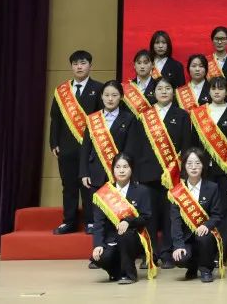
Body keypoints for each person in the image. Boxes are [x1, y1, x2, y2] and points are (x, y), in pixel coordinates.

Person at [133, 77, 191, 268]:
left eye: (167, 88)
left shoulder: (182, 115)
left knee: (169, 216)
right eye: (160, 88)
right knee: (148, 216)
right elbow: (137, 146)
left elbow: (186, 146)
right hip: (147, 174)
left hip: (173, 175)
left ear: (173, 92)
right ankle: (149, 253)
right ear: (153, 92)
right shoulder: (144, 116)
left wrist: (184, 174)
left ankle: (167, 253)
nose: (164, 92)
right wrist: (137, 174)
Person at [80, 81, 143, 254]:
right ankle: (99, 252)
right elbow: (86, 147)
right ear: (101, 96)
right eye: (106, 95)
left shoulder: (129, 119)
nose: (110, 99)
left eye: (114, 95)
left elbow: (131, 150)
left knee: (118, 214)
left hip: (120, 175)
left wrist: (127, 172)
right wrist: (84, 172)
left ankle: (118, 252)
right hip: (96, 173)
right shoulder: (93, 119)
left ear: (121, 97)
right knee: (99, 216)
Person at [187, 75, 227, 253]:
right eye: (213, 88)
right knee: (204, 208)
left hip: (226, 169)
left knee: (225, 209)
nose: (217, 92)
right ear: (208, 91)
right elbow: (194, 143)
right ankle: (203, 250)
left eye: (220, 88)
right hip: (203, 170)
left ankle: (220, 252)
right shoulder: (199, 113)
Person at [50, 50, 103, 235]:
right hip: (66, 147)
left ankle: (91, 221)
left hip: (89, 147)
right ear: (71, 67)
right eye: (75, 64)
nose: (79, 67)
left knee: (88, 186)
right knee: (69, 185)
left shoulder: (99, 89)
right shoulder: (62, 91)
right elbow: (55, 118)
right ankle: (69, 221)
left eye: (83, 63)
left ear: (90, 65)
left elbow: (101, 118)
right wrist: (54, 142)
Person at [90, 152, 153, 284]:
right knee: (99, 257)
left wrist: (129, 221)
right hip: (112, 239)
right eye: (118, 167)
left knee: (125, 234)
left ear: (131, 169)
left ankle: (129, 274)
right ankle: (117, 272)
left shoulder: (142, 191)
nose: (122, 170)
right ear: (113, 170)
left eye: (125, 167)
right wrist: (98, 244)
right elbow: (99, 224)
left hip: (134, 237)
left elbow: (146, 217)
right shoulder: (104, 194)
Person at [169, 148, 227, 282]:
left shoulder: (212, 187)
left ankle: (206, 269)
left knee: (203, 237)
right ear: (184, 166)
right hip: (187, 238)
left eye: (197, 163)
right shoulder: (177, 192)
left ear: (203, 165)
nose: (193, 167)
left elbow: (217, 215)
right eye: (189, 163)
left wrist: (207, 226)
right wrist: (178, 245)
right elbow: (175, 221)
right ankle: (192, 267)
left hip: (206, 236)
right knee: (180, 258)